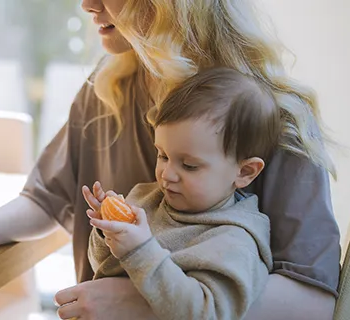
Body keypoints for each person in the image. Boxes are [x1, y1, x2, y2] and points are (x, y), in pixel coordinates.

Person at [0, 0, 342, 318]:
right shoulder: (109, 84)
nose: (87, 4)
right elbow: (48, 198)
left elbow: (314, 299)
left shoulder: (272, 116)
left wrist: (149, 303)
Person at [85, 67, 278, 319]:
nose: (167, 174)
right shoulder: (146, 198)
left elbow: (205, 314)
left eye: (189, 165)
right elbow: (102, 267)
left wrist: (140, 251)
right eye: (163, 155)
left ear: (245, 172)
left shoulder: (234, 241)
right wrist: (107, 231)